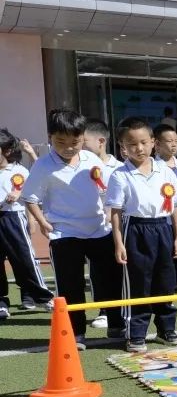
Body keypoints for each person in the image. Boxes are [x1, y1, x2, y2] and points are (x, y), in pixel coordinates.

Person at [22, 109, 126, 349]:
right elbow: (30, 197)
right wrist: (43, 221)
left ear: (83, 138)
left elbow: (105, 187)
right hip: (65, 233)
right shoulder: (43, 166)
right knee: (71, 285)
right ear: (50, 137)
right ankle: (76, 332)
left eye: (75, 142)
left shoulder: (90, 159)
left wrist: (109, 212)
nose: (69, 147)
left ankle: (116, 323)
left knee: (110, 279)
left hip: (99, 229)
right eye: (61, 142)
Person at [106, 118, 177, 353]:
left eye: (143, 142)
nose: (138, 148)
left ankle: (166, 328)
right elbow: (116, 213)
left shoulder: (165, 170)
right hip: (136, 230)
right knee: (139, 283)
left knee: (166, 281)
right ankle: (136, 334)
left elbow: (176, 207)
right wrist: (119, 243)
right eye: (131, 144)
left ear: (153, 142)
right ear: (123, 147)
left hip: (163, 228)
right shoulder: (120, 175)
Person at [0, 129, 53, 319]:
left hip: (12, 218)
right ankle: (1, 302)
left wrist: (18, 195)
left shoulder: (18, 171)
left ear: (5, 150)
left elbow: (31, 193)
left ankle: (43, 297)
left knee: (24, 258)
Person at [83, 119, 124, 328]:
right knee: (97, 271)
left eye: (84, 141)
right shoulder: (82, 165)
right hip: (93, 227)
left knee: (116, 270)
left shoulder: (120, 168)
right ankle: (104, 309)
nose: (80, 146)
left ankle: (119, 309)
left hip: (115, 228)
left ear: (100, 141)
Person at [153, 123, 177, 293]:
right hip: (162, 218)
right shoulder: (154, 166)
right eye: (169, 141)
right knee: (166, 250)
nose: (174, 144)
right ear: (157, 144)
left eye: (176, 140)